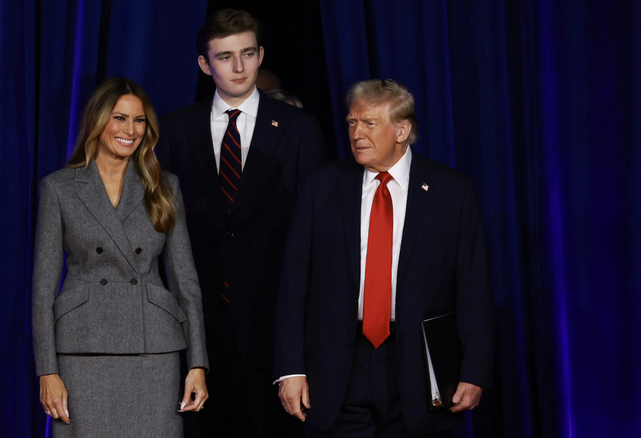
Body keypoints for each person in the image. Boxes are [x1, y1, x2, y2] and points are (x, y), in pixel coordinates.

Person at [274, 79, 494, 437]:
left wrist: (475, 371)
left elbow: (473, 287)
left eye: (369, 123)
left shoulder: (451, 192)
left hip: (417, 367)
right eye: (351, 123)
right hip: (338, 365)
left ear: (402, 130)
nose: (356, 133)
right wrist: (290, 369)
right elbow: (293, 282)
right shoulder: (321, 186)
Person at [155, 9, 326, 438]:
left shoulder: (299, 128)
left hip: (273, 328)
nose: (238, 67)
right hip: (197, 329)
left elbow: (316, 233)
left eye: (248, 54)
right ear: (203, 63)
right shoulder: (175, 129)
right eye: (225, 56)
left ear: (260, 55)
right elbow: (160, 228)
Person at [32, 77, 209, 437]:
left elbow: (185, 281)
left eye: (139, 120)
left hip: (154, 349)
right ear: (98, 122)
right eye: (120, 118)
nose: (131, 130)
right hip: (83, 348)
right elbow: (43, 288)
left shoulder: (164, 186)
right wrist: (47, 370)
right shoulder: (59, 188)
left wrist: (197, 363)